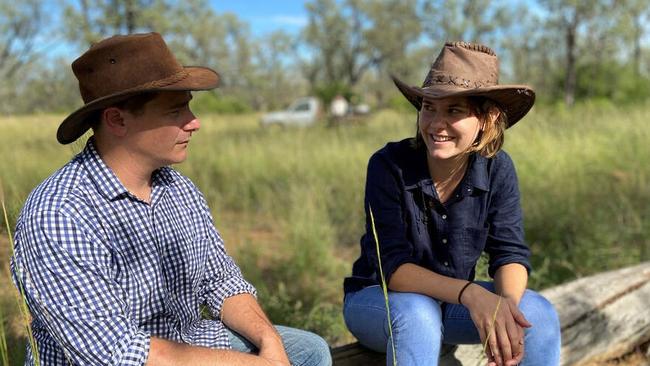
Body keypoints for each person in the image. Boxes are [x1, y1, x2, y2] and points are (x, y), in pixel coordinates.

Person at [10, 32, 331, 366]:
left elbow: (221, 280)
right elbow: (116, 354)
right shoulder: (60, 213)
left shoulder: (179, 190)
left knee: (308, 350)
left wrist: (270, 343)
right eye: (176, 110)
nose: (195, 122)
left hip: (188, 344)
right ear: (117, 119)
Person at [342, 42, 561, 366]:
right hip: (380, 301)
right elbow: (394, 270)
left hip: (451, 305)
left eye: (454, 110)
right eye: (429, 107)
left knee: (538, 314)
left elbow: (509, 253)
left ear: (488, 119)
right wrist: (472, 294)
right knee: (419, 315)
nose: (435, 123)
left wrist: (505, 312)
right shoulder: (388, 165)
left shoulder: (497, 168)